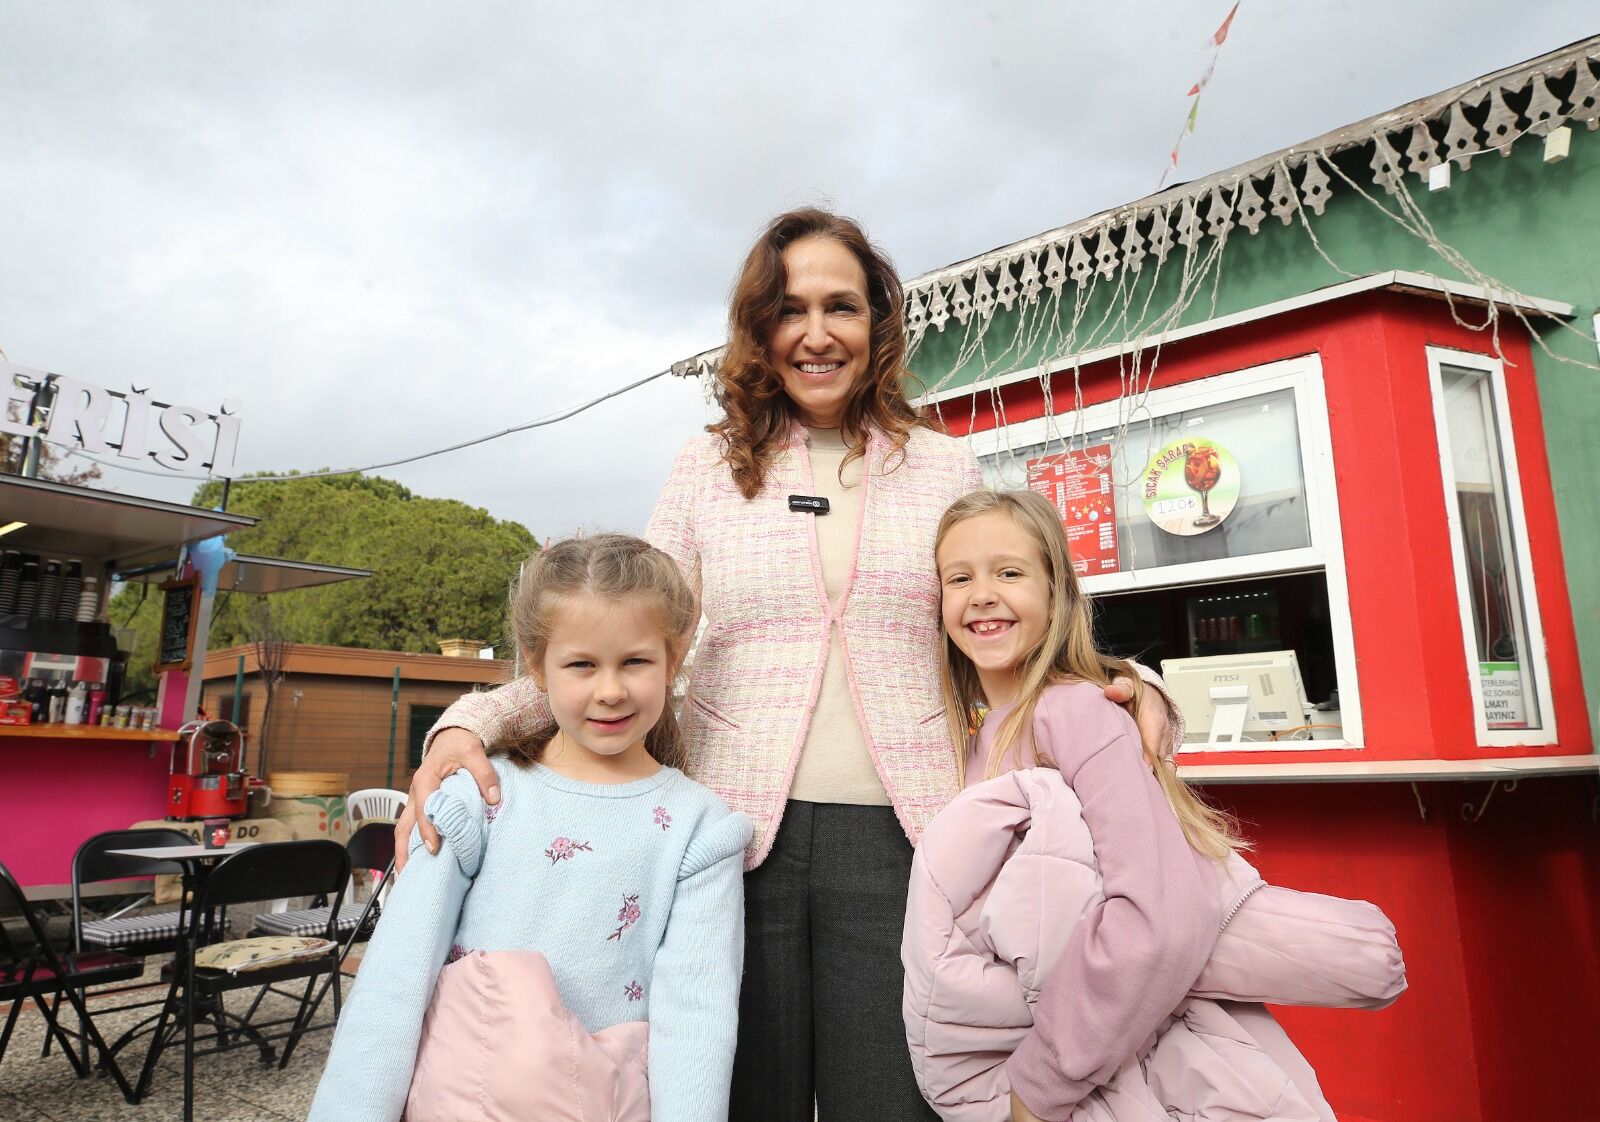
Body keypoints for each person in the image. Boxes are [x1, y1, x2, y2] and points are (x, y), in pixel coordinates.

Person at [395, 207, 1177, 1120]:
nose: (816, 334)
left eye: (841, 306)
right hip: (728, 845)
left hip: (907, 841)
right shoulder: (706, 467)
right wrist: (469, 722)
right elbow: (623, 639)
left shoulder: (944, 467)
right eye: (789, 310)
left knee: (892, 1103)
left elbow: (999, 621)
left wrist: (1133, 686)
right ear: (758, 329)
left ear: (877, 323)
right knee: (735, 1099)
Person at [922, 490, 1404, 1122]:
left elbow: (1160, 914)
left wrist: (1036, 1088)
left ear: (1056, 591)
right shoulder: (971, 737)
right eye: (959, 578)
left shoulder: (1078, 713)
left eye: (1009, 572)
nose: (982, 594)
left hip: (1112, 1066)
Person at [310, 535, 751, 1122]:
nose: (611, 690)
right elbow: (395, 979)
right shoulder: (476, 799)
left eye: (635, 661)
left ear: (674, 657)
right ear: (536, 665)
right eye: (582, 664)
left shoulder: (702, 830)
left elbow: (696, 1020)